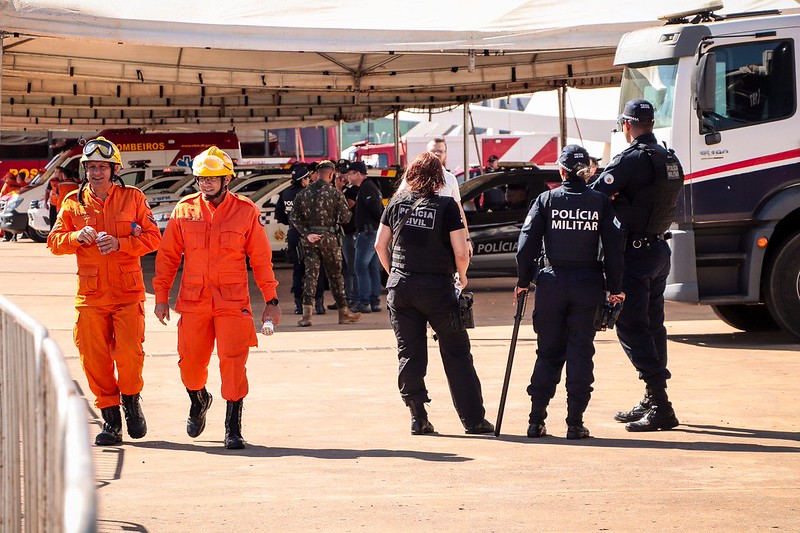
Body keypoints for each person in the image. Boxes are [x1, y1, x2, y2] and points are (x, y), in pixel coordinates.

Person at [153, 146, 282, 450]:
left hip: (232, 303)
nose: (206, 184)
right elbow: (168, 257)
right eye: (201, 179)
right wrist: (161, 296)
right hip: (194, 302)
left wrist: (271, 300)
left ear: (227, 179)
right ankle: (199, 399)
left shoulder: (246, 210)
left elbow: (261, 259)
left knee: (233, 365)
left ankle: (232, 427)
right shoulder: (184, 210)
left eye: (213, 178)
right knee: (190, 367)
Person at [47, 136, 161, 446]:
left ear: (114, 170)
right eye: (91, 167)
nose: (96, 173)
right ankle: (111, 420)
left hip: (127, 293)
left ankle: (132, 401)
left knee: (128, 353)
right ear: (84, 170)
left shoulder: (133, 198)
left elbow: (153, 239)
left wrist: (122, 244)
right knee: (93, 358)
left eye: (102, 167)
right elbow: (54, 242)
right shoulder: (72, 202)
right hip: (91, 295)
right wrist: (74, 237)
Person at [375, 152, 494, 436]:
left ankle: (418, 416)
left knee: (410, 353)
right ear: (440, 178)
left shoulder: (396, 202)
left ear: (410, 175)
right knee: (456, 353)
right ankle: (473, 420)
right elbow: (461, 251)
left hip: (401, 289)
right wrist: (462, 277)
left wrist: (395, 273)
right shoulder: (448, 206)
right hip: (438, 288)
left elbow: (380, 245)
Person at [515, 145, 625, 439]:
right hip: (588, 284)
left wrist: (523, 281)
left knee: (548, 352)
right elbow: (614, 248)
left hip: (552, 283)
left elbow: (526, 244)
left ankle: (536, 420)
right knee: (580, 353)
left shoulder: (546, 200)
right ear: (588, 171)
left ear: (561, 171)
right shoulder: (600, 202)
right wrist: (616, 288)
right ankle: (575, 423)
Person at [591, 99, 684, 432]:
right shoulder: (668, 158)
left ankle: (661, 404)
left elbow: (595, 195)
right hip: (659, 252)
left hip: (634, 256)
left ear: (627, 125)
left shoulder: (630, 160)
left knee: (631, 327)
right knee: (653, 326)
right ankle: (652, 395)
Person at [290, 160, 361, 327]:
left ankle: (307, 315)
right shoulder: (335, 194)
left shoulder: (304, 193)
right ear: (331, 174)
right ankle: (343, 313)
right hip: (329, 239)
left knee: (310, 276)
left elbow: (294, 218)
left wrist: (307, 234)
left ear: (317, 173)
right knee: (336, 276)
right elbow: (345, 218)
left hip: (310, 239)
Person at [396, 138, 473, 256]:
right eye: (433, 151)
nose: (437, 154)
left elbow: (459, 211)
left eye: (440, 151)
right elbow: (398, 200)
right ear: (426, 153)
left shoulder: (451, 179)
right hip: (417, 235)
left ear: (445, 155)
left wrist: (467, 239)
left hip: (443, 237)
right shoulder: (413, 175)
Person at [275, 164, 325, 314]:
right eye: (308, 178)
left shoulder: (285, 194)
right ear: (303, 180)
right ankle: (318, 304)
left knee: (298, 270)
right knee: (316, 270)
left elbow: (280, 215)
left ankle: (299, 305)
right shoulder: (311, 194)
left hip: (294, 236)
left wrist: (291, 223)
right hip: (312, 236)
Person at [347, 161, 384, 313]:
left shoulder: (367, 187)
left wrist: (377, 227)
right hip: (372, 232)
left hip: (368, 233)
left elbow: (376, 209)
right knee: (371, 267)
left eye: (350, 173)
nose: (348, 176)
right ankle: (374, 301)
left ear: (358, 173)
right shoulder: (366, 187)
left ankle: (364, 302)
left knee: (360, 266)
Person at [329, 159, 359, 309]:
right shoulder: (341, 189)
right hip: (341, 232)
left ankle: (355, 298)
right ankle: (345, 297)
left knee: (353, 268)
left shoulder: (352, 189)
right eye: (339, 172)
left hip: (351, 233)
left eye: (345, 172)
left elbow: (345, 207)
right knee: (343, 269)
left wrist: (339, 189)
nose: (341, 175)